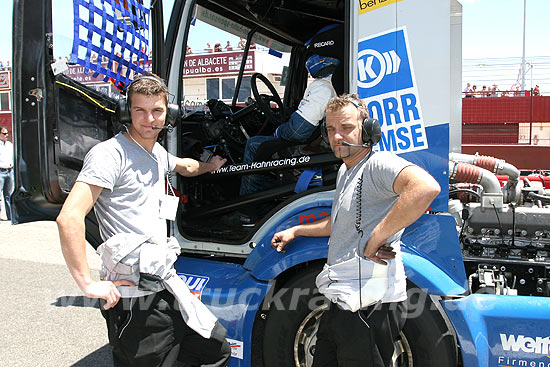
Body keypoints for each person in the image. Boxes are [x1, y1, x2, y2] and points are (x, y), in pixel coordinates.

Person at [56, 75, 230, 367]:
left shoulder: (155, 152)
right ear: (127, 112)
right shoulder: (109, 155)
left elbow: (184, 166)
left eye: (157, 111)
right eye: (140, 110)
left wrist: (210, 166)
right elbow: (69, 217)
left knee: (214, 350)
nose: (150, 119)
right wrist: (87, 284)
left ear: (169, 113)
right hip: (134, 293)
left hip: (164, 280)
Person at [270, 94, 441, 366]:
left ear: (368, 129)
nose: (338, 137)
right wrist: (297, 231)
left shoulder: (378, 163)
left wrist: (378, 236)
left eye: (347, 128)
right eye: (330, 129)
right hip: (344, 299)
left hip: (372, 305)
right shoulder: (346, 170)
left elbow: (425, 188)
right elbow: (340, 223)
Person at [239, 54, 339, 197]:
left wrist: (279, 132)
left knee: (253, 144)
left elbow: (298, 131)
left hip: (305, 147)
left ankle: (248, 208)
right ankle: (264, 192)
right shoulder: (328, 87)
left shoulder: (322, 87)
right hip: (311, 142)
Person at [0, 127, 14, 221]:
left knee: (9, 194)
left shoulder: (10, 145)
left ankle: (10, 216)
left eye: (7, 133)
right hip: (0, 171)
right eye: (4, 134)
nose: (7, 135)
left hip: (10, 171)